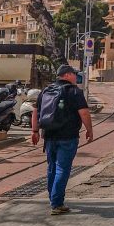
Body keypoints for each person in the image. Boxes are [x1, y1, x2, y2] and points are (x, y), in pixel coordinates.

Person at [31, 64, 93, 216]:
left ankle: (54, 199)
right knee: (62, 168)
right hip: (68, 136)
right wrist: (89, 130)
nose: (75, 77)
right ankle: (57, 203)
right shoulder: (74, 91)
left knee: (52, 167)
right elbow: (84, 113)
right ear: (66, 75)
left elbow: (36, 111)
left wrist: (35, 131)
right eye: (73, 74)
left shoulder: (46, 90)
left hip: (49, 135)